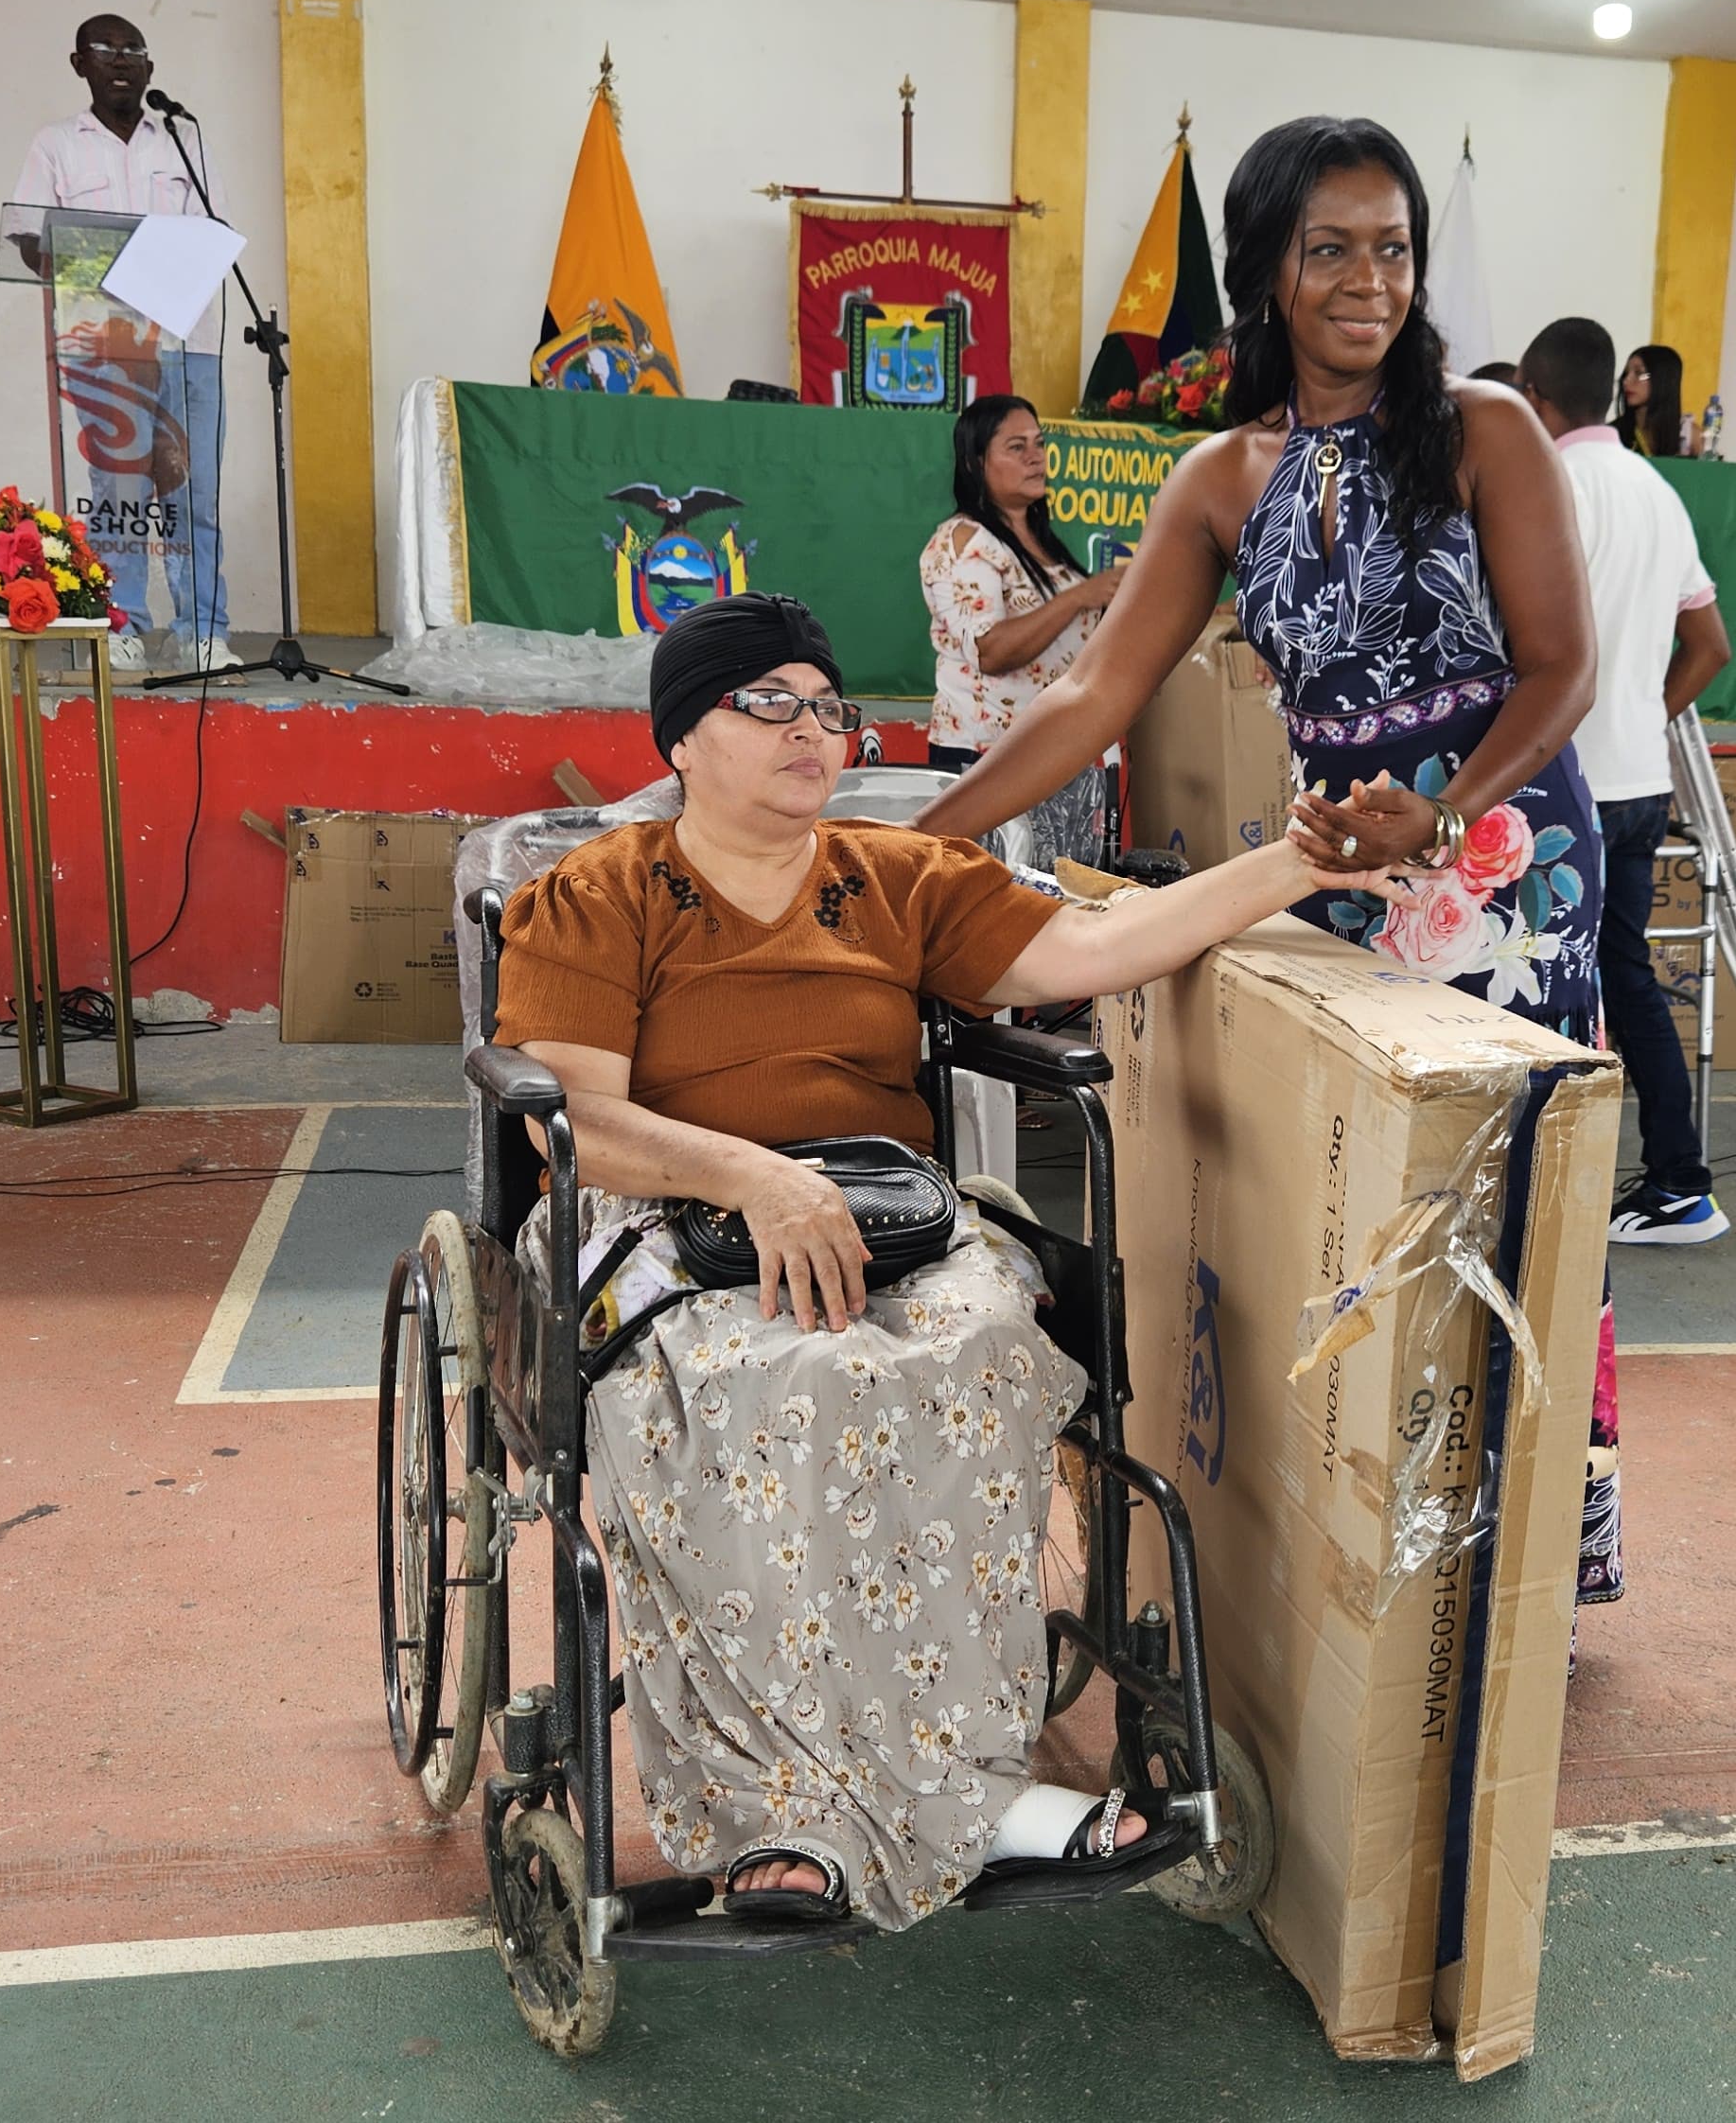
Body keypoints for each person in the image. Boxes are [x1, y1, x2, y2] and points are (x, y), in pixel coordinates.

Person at [492, 592, 1394, 1927]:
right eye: (768, 704)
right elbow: (577, 1116)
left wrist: (1300, 863)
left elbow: (1097, 947)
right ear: (681, 736)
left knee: (980, 1357)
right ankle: (781, 1816)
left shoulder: (898, 874)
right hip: (663, 1212)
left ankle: (968, 1788)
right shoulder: (600, 893)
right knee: (789, 1386)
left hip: (885, 1209)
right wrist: (755, 1176)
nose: (812, 730)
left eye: (828, 707)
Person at [913, 114, 1619, 1601]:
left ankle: (1524, 1550)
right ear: (1265, 273)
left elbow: (1563, 669)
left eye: (1394, 249)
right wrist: (911, 842)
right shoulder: (1224, 476)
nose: (1371, 281)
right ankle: (1376, 1548)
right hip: (1330, 872)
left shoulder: (1486, 428)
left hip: (1501, 872)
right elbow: (1093, 698)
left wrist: (1445, 813)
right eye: (1331, 249)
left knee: (1505, 1188)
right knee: (1364, 1192)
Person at [1517, 318, 1733, 1246]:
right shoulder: (1658, 491)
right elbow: (1711, 645)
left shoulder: (1546, 488)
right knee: (1625, 976)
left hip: (1562, 782)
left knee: (1535, 980)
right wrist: (1642, 712)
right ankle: (1677, 1179)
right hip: (1639, 778)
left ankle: (1542, 1186)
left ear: (1531, 396)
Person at [9, 12, 230, 676]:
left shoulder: (183, 139)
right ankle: (122, 623)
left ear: (150, 67)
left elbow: (212, 232)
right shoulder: (57, 145)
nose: (121, 59)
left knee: (193, 493)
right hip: (104, 344)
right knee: (120, 495)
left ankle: (202, 630)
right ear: (80, 64)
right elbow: (28, 239)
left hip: (188, 342)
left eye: (134, 49)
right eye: (105, 49)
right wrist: (92, 264)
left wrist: (153, 270)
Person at [920, 395, 1124, 873]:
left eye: (1039, 444)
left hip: (1055, 754)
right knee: (993, 898)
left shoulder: (1040, 540)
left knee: (1054, 896)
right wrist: (1079, 597)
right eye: (1016, 447)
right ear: (976, 462)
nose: (1036, 457)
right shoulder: (962, 541)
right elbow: (990, 651)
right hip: (985, 759)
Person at [1618, 343, 1693, 460]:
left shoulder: (1688, 434)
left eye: (1639, 373)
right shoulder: (1614, 433)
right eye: (1626, 374)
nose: (1626, 381)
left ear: (1662, 379)